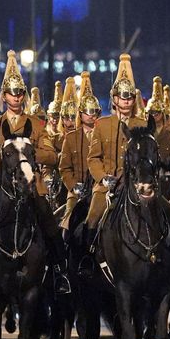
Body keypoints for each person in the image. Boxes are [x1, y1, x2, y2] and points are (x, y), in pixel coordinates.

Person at [0, 51, 69, 298]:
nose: (16, 97)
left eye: (20, 92)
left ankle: (60, 273)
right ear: (4, 96)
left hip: (31, 185)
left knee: (49, 222)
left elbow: (52, 156)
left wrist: (27, 154)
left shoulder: (36, 125)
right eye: (11, 92)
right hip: (1, 188)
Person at [79, 54, 148, 276]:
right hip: (107, 186)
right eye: (122, 97)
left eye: (130, 97)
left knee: (165, 211)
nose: (126, 101)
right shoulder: (102, 124)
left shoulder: (142, 124)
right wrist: (103, 178)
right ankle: (86, 260)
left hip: (136, 185)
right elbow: (93, 158)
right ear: (114, 99)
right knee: (92, 217)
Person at [58, 72, 100, 228]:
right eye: (87, 112)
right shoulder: (71, 138)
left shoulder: (103, 134)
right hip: (77, 190)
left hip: (99, 188)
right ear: (80, 114)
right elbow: (64, 168)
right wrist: (74, 186)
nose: (91, 116)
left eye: (94, 111)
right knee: (68, 222)